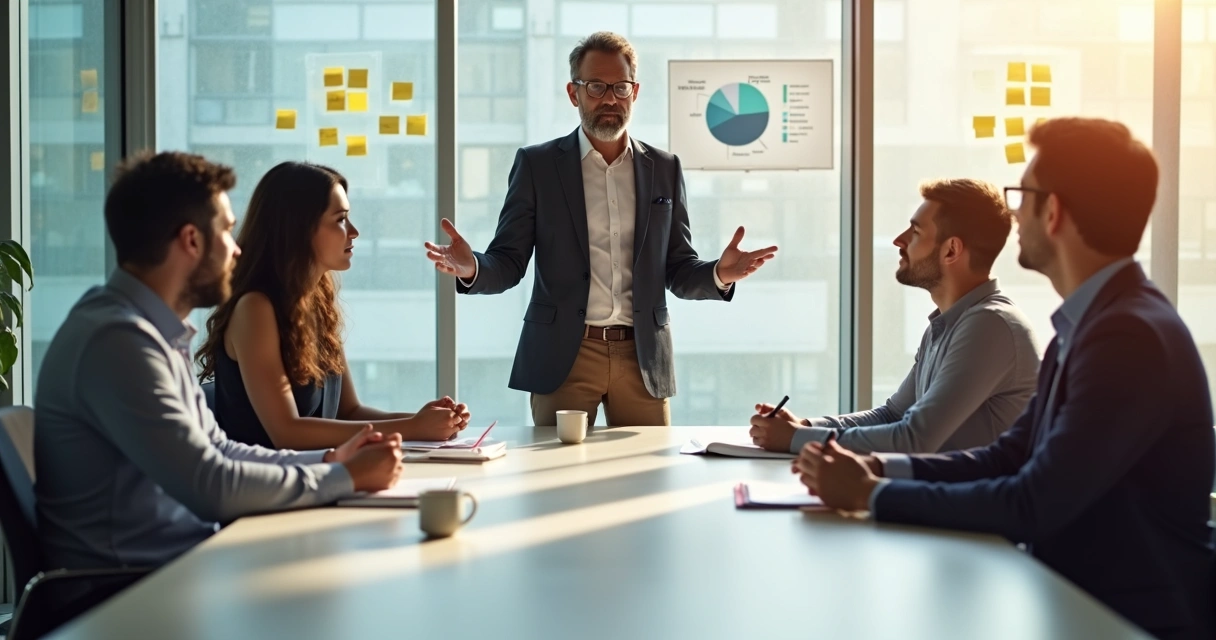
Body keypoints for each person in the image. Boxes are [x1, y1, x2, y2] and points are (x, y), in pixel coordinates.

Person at [796, 118, 1215, 640]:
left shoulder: (1127, 336)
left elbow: (1034, 501)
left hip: (1126, 619)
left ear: (1054, 211)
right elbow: (1009, 456)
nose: (1013, 212)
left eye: (1023, 195)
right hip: (1076, 601)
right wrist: (880, 467)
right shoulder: (1090, 323)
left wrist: (871, 494)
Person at [35, 151, 404, 574]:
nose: (237, 248)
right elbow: (211, 485)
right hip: (131, 589)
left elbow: (221, 451)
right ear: (192, 241)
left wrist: (330, 463)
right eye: (227, 230)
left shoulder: (154, 334)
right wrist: (345, 478)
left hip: (183, 566)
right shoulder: (117, 342)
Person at [423, 32, 777, 427]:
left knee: (647, 466)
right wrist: (472, 267)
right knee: (556, 465)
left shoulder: (664, 168)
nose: (610, 98)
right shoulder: (538, 166)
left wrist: (719, 275)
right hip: (564, 356)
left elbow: (678, 269)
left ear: (635, 92)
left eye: (620, 87)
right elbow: (508, 262)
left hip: (643, 358)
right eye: (595, 86)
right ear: (573, 93)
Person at [749, 179, 1039, 455]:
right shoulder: (947, 324)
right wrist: (805, 427)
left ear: (951, 250)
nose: (899, 240)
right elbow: (893, 415)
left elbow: (914, 439)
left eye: (916, 232)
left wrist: (796, 439)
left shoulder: (989, 325)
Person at [196, 162, 469, 451]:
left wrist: (425, 422)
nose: (354, 231)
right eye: (341, 219)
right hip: (264, 477)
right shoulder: (254, 309)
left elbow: (349, 413)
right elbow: (287, 433)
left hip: (315, 473)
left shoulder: (317, 302)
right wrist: (412, 428)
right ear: (298, 228)